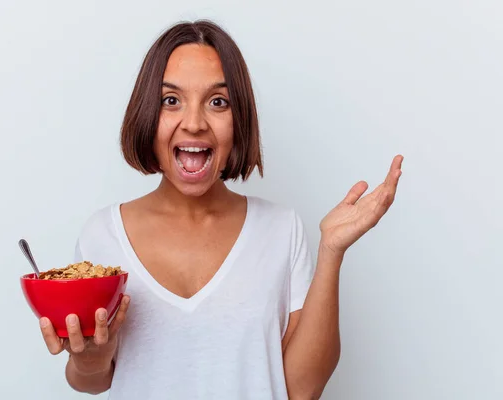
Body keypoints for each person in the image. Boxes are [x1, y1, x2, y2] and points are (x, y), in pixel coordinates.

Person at [38, 20, 403, 399]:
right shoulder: (104, 235)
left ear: (239, 117)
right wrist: (89, 358)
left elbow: (302, 389)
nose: (194, 123)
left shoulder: (281, 229)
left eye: (217, 102)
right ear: (147, 113)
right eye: (171, 100)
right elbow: (92, 381)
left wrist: (331, 251)